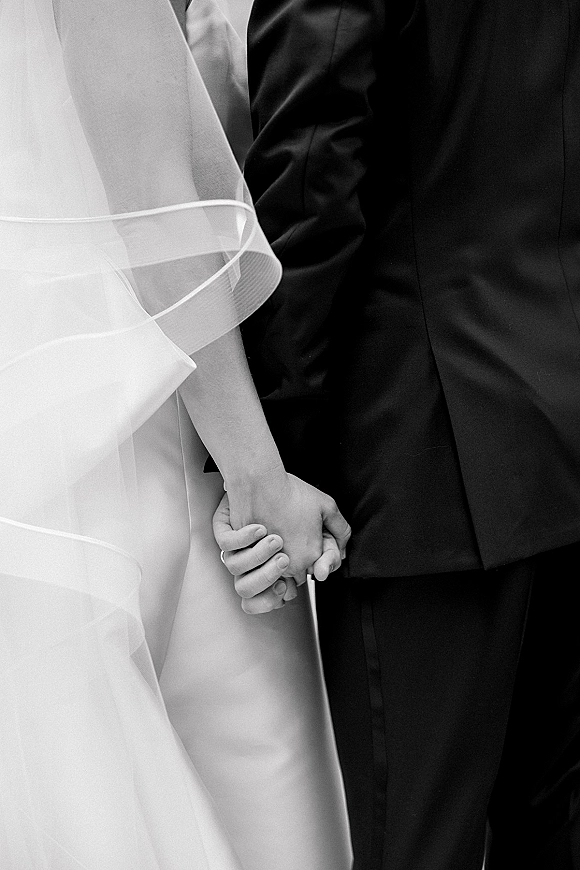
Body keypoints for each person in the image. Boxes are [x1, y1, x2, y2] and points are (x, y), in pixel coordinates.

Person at [217, 1, 580, 868]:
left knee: (412, 844)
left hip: (425, 452)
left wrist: (264, 464)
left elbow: (311, 184)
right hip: (557, 417)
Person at [0, 0, 352, 867]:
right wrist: (260, 478)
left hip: (40, 447)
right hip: (144, 445)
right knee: (273, 820)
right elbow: (158, 213)